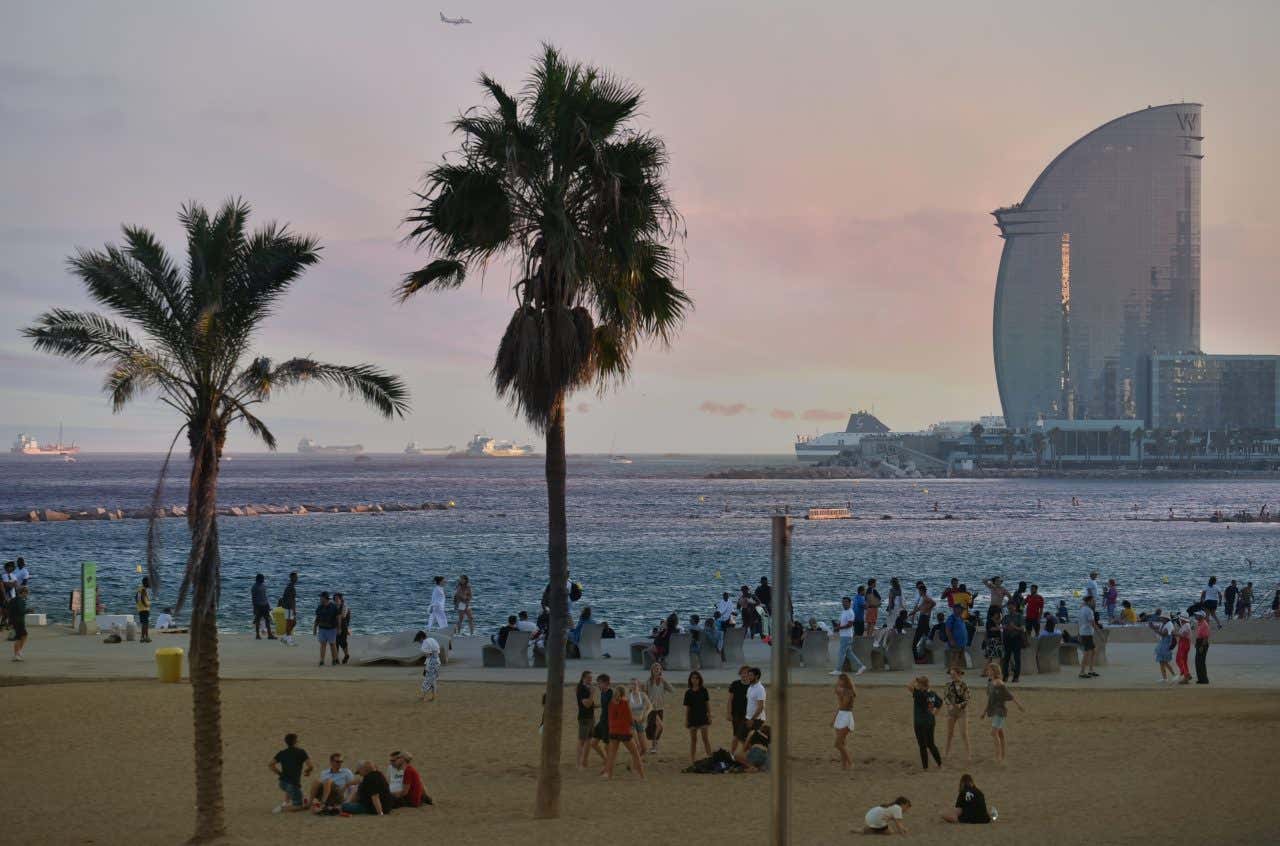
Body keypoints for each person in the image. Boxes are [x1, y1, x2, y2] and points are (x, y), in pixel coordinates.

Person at [981, 662, 1023, 763]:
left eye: (989, 670)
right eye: (987, 670)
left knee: (993, 732)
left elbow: (1009, 695)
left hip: (1000, 711)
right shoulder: (990, 683)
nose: (987, 671)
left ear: (994, 671)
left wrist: (1018, 705)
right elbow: (989, 700)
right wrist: (984, 712)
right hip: (994, 710)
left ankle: (998, 756)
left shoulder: (999, 682)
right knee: (1000, 734)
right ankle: (1002, 754)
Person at [601, 681, 645, 779]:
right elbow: (630, 719)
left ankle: (609, 775)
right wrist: (635, 723)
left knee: (612, 755)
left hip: (613, 731)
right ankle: (642, 775)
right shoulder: (625, 703)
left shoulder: (611, 703)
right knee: (636, 754)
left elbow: (610, 718)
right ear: (623, 694)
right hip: (624, 732)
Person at [269, 732, 312, 813]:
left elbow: (271, 764)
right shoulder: (301, 752)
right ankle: (282, 809)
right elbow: (310, 766)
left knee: (291, 787)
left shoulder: (282, 753)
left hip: (282, 783)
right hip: (293, 784)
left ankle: (286, 802)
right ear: (295, 741)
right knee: (299, 806)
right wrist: (307, 771)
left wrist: (280, 773)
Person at [908, 675, 942, 769]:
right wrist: (935, 713)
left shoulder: (919, 694)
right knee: (931, 744)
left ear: (922, 685)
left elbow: (909, 686)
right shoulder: (932, 693)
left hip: (920, 722)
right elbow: (940, 702)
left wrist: (914, 679)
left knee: (922, 746)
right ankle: (939, 763)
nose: (917, 685)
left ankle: (925, 767)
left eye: (918, 684)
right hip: (930, 721)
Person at [832, 595, 868, 675]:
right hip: (843, 635)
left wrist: (839, 628)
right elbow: (842, 623)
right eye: (843, 602)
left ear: (849, 603)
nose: (844, 604)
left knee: (841, 652)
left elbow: (850, 625)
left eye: (845, 602)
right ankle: (861, 666)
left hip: (847, 636)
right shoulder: (843, 612)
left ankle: (838, 670)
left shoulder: (850, 612)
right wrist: (836, 625)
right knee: (849, 653)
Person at [942, 666, 970, 760]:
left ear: (959, 674)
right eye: (951, 674)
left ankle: (968, 754)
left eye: (953, 674)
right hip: (951, 712)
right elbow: (945, 697)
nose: (952, 676)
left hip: (962, 712)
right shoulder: (948, 685)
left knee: (964, 734)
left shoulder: (964, 685)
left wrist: (960, 705)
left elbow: (967, 699)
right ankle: (946, 753)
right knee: (949, 734)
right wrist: (949, 704)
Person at [576, 671, 603, 767]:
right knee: (582, 740)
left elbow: (591, 704)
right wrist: (592, 693)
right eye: (589, 677)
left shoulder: (586, 687)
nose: (591, 679)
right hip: (584, 717)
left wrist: (600, 705)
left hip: (590, 717)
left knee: (588, 740)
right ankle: (579, 762)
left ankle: (584, 761)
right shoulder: (581, 688)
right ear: (583, 678)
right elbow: (586, 704)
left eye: (591, 677)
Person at [645, 662, 674, 753]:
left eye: (659, 669)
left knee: (657, 727)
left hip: (660, 708)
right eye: (656, 669)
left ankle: (654, 745)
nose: (658, 671)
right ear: (652, 671)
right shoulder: (649, 682)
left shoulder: (662, 681)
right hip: (652, 708)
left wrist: (665, 681)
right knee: (659, 725)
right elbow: (645, 694)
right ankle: (654, 744)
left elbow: (672, 690)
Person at [684, 670, 712, 763]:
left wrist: (709, 715)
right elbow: (688, 708)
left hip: (703, 717)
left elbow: (707, 704)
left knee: (705, 738)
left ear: (700, 679)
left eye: (697, 678)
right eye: (693, 678)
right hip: (693, 717)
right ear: (690, 680)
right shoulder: (688, 693)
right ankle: (692, 758)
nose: (695, 680)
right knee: (693, 740)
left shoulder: (704, 690)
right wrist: (686, 720)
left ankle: (710, 756)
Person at [832, 672, 856, 770]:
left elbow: (843, 705)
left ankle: (850, 762)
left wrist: (839, 695)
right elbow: (840, 707)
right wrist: (834, 719)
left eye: (840, 680)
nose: (838, 682)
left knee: (838, 744)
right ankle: (844, 765)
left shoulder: (849, 692)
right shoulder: (843, 691)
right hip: (841, 715)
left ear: (844, 681)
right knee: (842, 743)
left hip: (846, 717)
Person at [727, 664, 751, 756]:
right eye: (743, 673)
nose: (744, 675)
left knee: (746, 736)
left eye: (747, 673)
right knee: (737, 735)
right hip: (736, 714)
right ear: (740, 674)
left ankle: (745, 753)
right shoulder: (735, 684)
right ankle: (732, 754)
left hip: (748, 714)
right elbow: (730, 700)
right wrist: (729, 713)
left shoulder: (752, 686)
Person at [909, 581, 936, 660]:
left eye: (919, 591)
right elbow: (919, 608)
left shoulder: (925, 598)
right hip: (924, 618)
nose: (919, 592)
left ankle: (916, 658)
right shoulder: (923, 598)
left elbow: (934, 603)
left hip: (923, 619)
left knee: (915, 641)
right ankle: (921, 656)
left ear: (922, 591)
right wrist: (912, 613)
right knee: (927, 636)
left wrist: (928, 609)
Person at [1000, 598, 1025, 683]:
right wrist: (1006, 627)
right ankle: (1005, 675)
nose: (1010, 609)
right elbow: (1002, 626)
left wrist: (1014, 627)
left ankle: (1016, 676)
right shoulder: (1006, 617)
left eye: (1011, 607)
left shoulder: (1019, 616)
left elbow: (1022, 629)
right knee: (1006, 658)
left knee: (1017, 658)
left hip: (1016, 639)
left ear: (1015, 607)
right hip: (1007, 639)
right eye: (1009, 607)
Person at [313, 591, 340, 667]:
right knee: (323, 644)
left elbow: (338, 618)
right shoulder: (320, 606)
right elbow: (317, 618)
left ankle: (334, 660)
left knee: (332, 644)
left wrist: (339, 628)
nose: (320, 599)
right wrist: (314, 627)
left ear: (325, 598)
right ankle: (322, 660)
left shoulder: (333, 606)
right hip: (322, 628)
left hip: (332, 629)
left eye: (321, 597)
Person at [1150, 612, 1178, 682]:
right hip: (1162, 644)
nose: (1160, 618)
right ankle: (1165, 678)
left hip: (1166, 644)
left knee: (1164, 661)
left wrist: (1155, 630)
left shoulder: (1169, 625)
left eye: (1162, 617)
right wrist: (1151, 624)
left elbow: (1164, 634)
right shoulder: (1164, 623)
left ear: (1166, 618)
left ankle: (1174, 675)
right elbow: (1157, 627)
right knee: (1161, 661)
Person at [1077, 595, 1100, 679]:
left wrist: (1079, 633)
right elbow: (1093, 623)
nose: (1094, 602)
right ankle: (1082, 672)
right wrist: (1100, 633)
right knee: (1086, 653)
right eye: (1093, 601)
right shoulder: (1089, 610)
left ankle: (1090, 670)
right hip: (1087, 634)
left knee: (1093, 652)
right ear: (1089, 601)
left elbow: (1079, 622)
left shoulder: (1082, 609)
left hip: (1084, 633)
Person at [592, 673, 614, 751]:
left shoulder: (611, 693)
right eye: (598, 683)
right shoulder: (603, 692)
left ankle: (609, 761)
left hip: (608, 722)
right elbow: (604, 705)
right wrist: (595, 706)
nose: (598, 685)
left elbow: (613, 707)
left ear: (605, 683)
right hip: (602, 721)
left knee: (607, 745)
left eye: (599, 683)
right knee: (593, 743)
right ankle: (606, 759)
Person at [944, 603, 968, 670]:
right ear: (956, 609)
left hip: (962, 642)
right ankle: (953, 670)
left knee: (960, 656)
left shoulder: (960, 618)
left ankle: (958, 669)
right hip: (955, 641)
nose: (962, 611)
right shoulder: (952, 618)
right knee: (955, 656)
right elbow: (948, 630)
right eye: (961, 609)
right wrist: (951, 640)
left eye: (963, 609)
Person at [8, 586, 29, 661]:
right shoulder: (21, 600)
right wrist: (29, 610)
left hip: (14, 621)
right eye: (26, 593)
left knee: (23, 635)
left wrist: (10, 622)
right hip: (19, 621)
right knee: (19, 638)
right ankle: (16, 654)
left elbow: (9, 611)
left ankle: (18, 652)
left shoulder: (12, 600)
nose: (27, 595)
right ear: (23, 592)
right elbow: (21, 611)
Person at [252, 573, 274, 639]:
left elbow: (265, 596)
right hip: (258, 605)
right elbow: (253, 598)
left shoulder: (263, 586)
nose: (263, 579)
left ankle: (270, 635)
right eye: (262, 578)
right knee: (258, 620)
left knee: (267, 620)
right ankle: (257, 635)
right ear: (258, 579)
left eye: (263, 578)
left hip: (265, 605)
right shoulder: (254, 587)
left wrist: (268, 605)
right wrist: (254, 608)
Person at [419, 635, 441, 701]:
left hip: (432, 663)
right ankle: (433, 697)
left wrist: (425, 669)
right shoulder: (432, 641)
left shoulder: (426, 643)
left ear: (421, 638)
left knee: (427, 680)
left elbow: (428, 656)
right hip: (437, 662)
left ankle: (423, 697)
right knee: (433, 681)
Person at [280, 571, 298, 645]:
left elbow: (284, 597)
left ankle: (285, 638)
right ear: (291, 578)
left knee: (293, 622)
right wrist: (293, 609)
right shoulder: (291, 587)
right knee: (290, 623)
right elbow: (292, 599)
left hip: (288, 607)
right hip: (289, 608)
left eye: (297, 577)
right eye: (295, 577)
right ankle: (289, 640)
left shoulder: (289, 586)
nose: (297, 579)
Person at [1174, 612, 1193, 683]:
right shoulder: (1186, 625)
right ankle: (1186, 673)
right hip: (1185, 643)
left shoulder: (1186, 625)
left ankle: (1186, 674)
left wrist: (1174, 634)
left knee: (1179, 659)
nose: (1180, 620)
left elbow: (1182, 635)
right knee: (1183, 660)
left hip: (1184, 643)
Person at [333, 592, 352, 664]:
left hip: (343, 627)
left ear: (341, 599)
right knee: (335, 642)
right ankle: (336, 658)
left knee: (342, 641)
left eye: (337, 599)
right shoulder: (333, 606)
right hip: (334, 626)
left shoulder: (344, 607)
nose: (336, 600)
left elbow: (343, 616)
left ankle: (346, 655)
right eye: (335, 599)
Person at [1194, 610, 1211, 684]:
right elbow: (1199, 635)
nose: (1195, 616)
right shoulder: (1199, 623)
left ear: (1201, 616)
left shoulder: (1204, 624)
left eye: (1197, 615)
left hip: (1202, 643)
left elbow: (1205, 637)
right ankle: (1200, 679)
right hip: (1199, 642)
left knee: (1201, 661)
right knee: (1198, 662)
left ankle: (1204, 679)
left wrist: (1201, 646)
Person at [134, 577, 152, 643]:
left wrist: (139, 605)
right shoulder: (144, 590)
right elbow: (141, 598)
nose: (150, 584)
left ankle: (143, 637)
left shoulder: (139, 589)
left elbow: (135, 597)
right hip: (145, 609)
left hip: (140, 609)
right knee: (146, 623)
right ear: (146, 583)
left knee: (144, 623)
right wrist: (146, 605)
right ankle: (145, 637)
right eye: (149, 582)